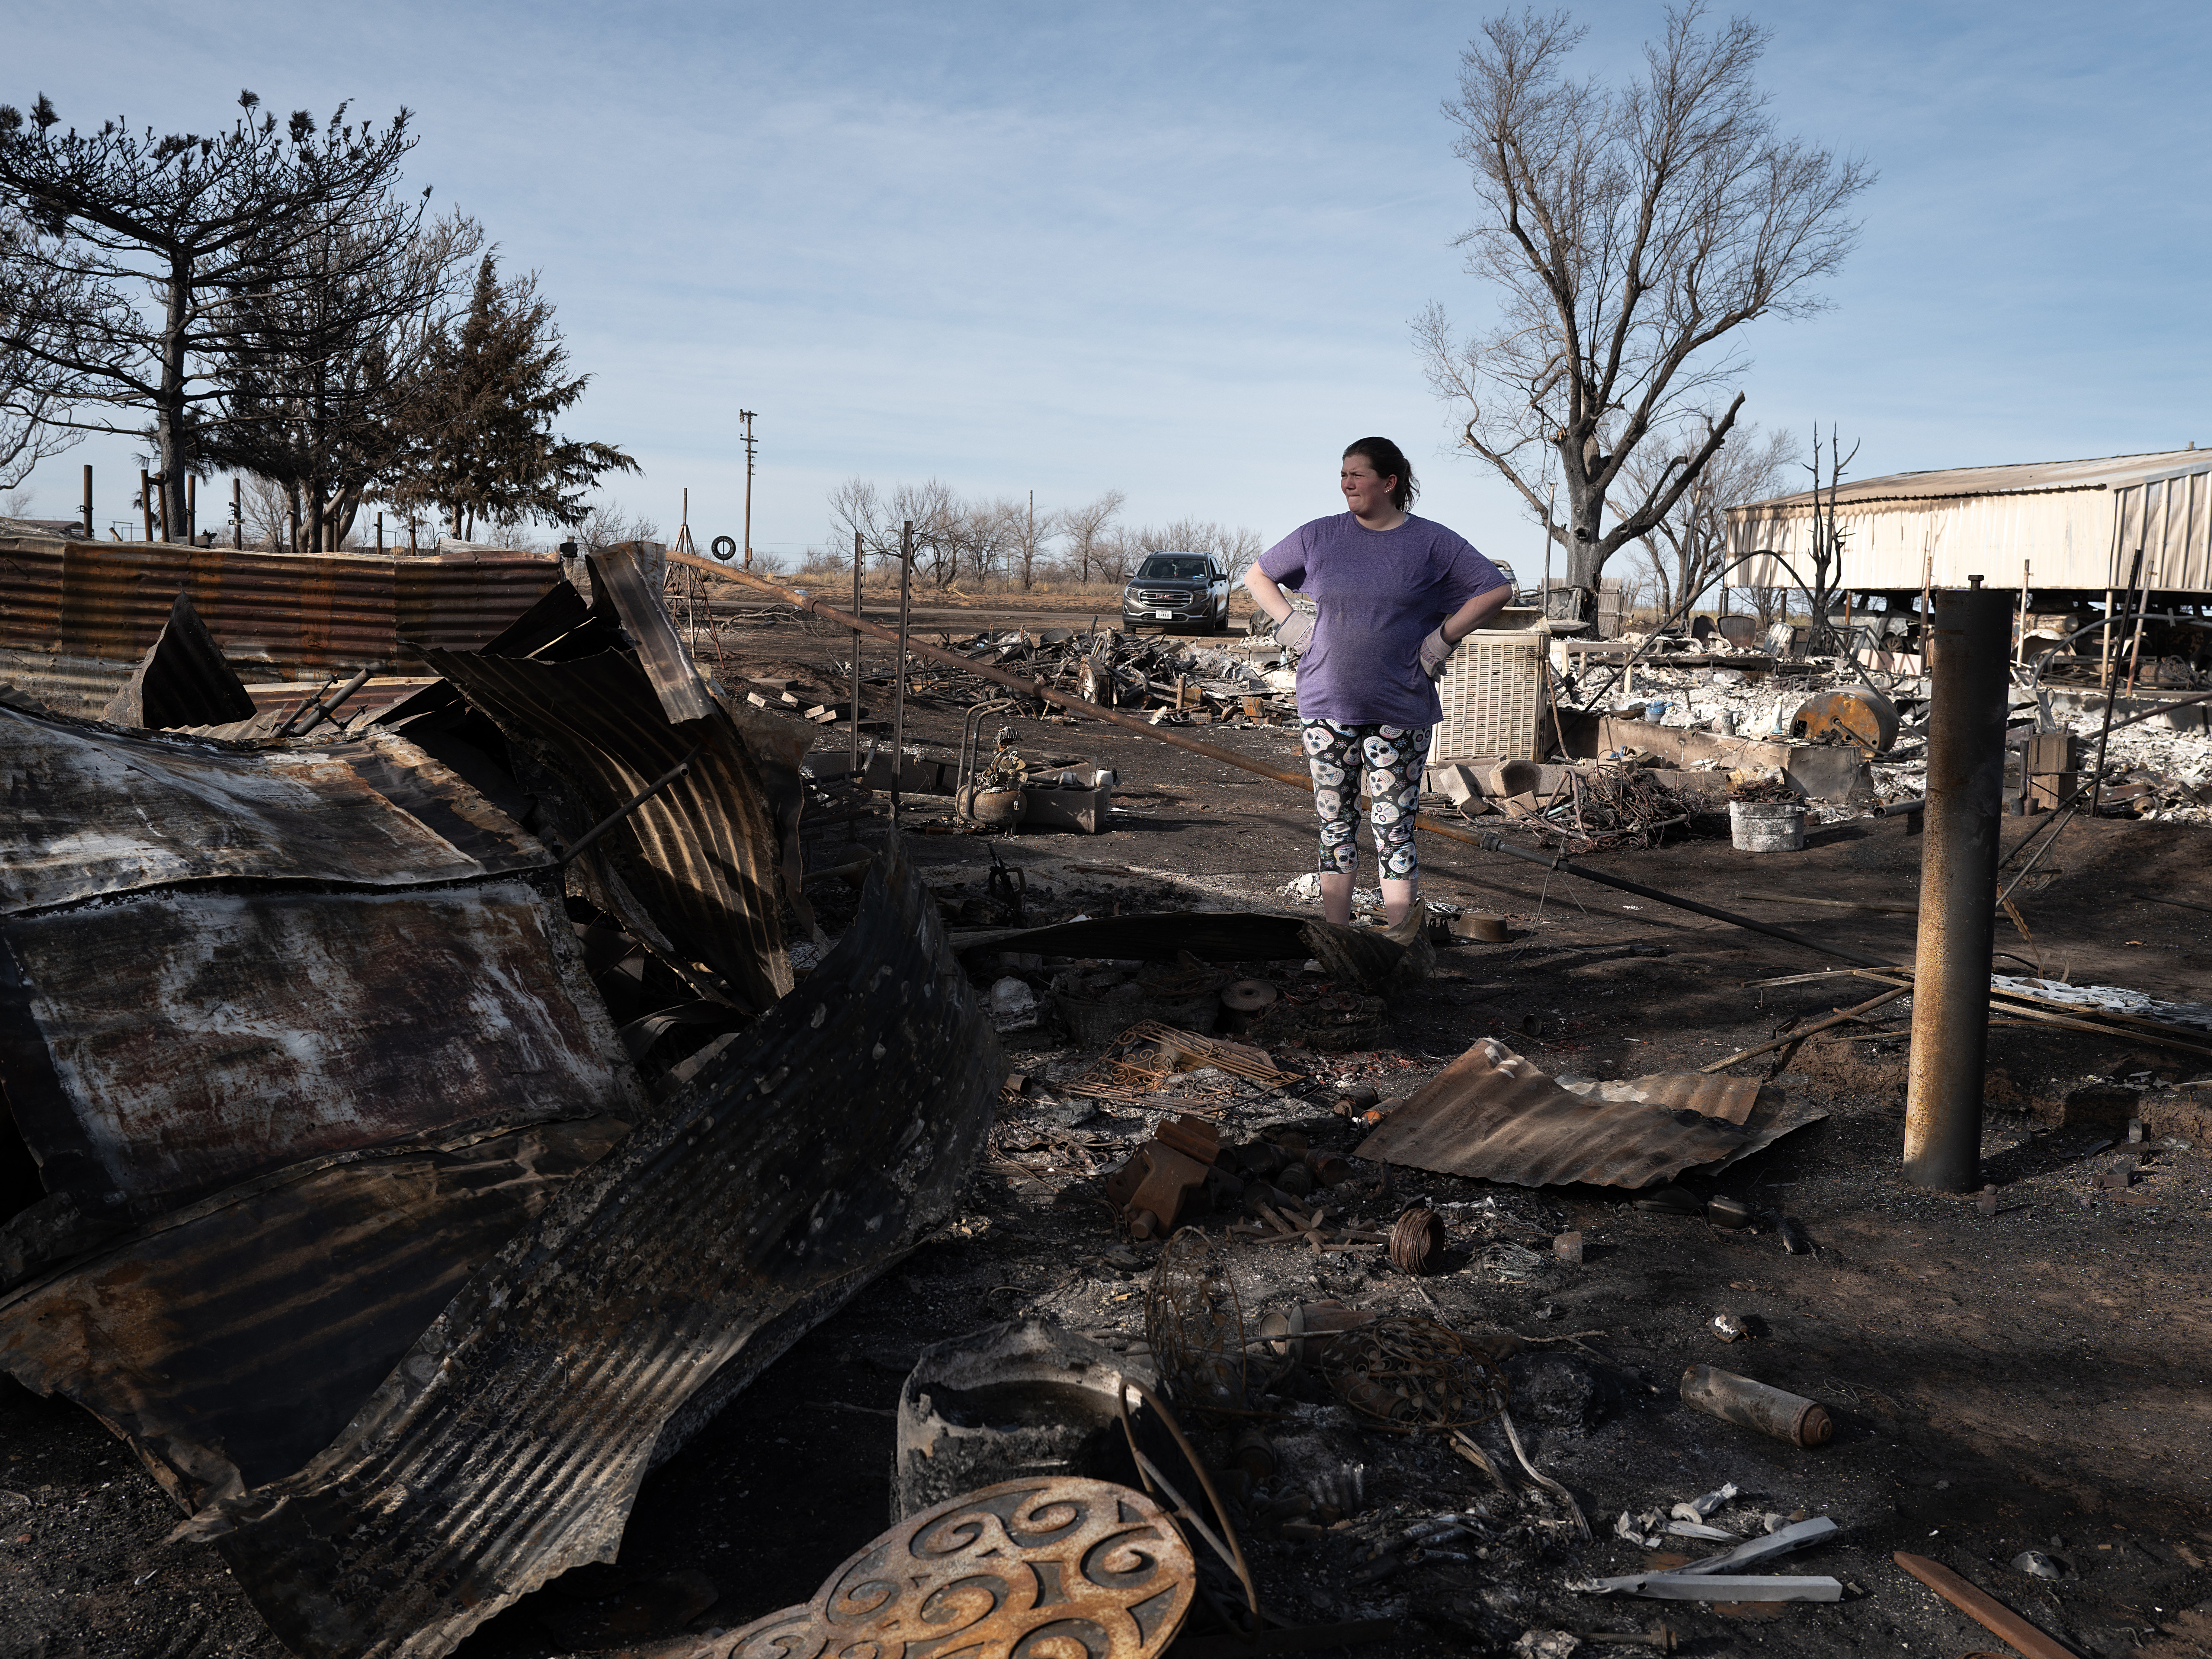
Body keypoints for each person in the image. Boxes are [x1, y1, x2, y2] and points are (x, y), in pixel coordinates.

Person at [1244, 437, 1511, 927]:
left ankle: (1396, 943)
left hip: (1400, 710)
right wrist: (1292, 626)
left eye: (1357, 474)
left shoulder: (1432, 543)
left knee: (1394, 830)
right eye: (1342, 474)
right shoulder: (1319, 536)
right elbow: (1258, 575)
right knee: (1334, 827)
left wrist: (1442, 639)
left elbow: (1496, 589)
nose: (1346, 483)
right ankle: (1337, 939)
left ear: (1389, 482)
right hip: (1326, 705)